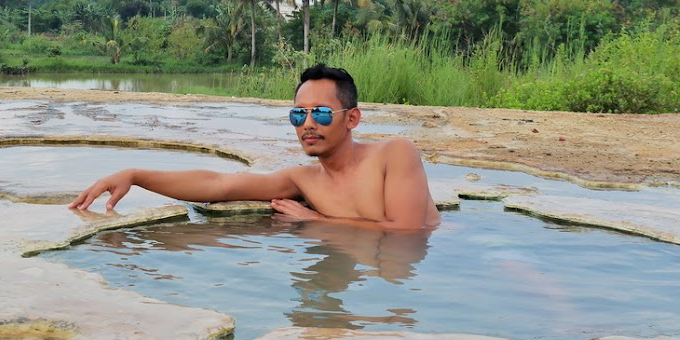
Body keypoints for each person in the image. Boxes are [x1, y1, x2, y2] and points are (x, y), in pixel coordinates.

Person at [70, 64, 441, 230]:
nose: (308, 124)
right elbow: (220, 186)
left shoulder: (394, 153)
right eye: (298, 115)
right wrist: (135, 175)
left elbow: (408, 233)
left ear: (352, 118)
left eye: (320, 113)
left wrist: (319, 222)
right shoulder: (304, 179)